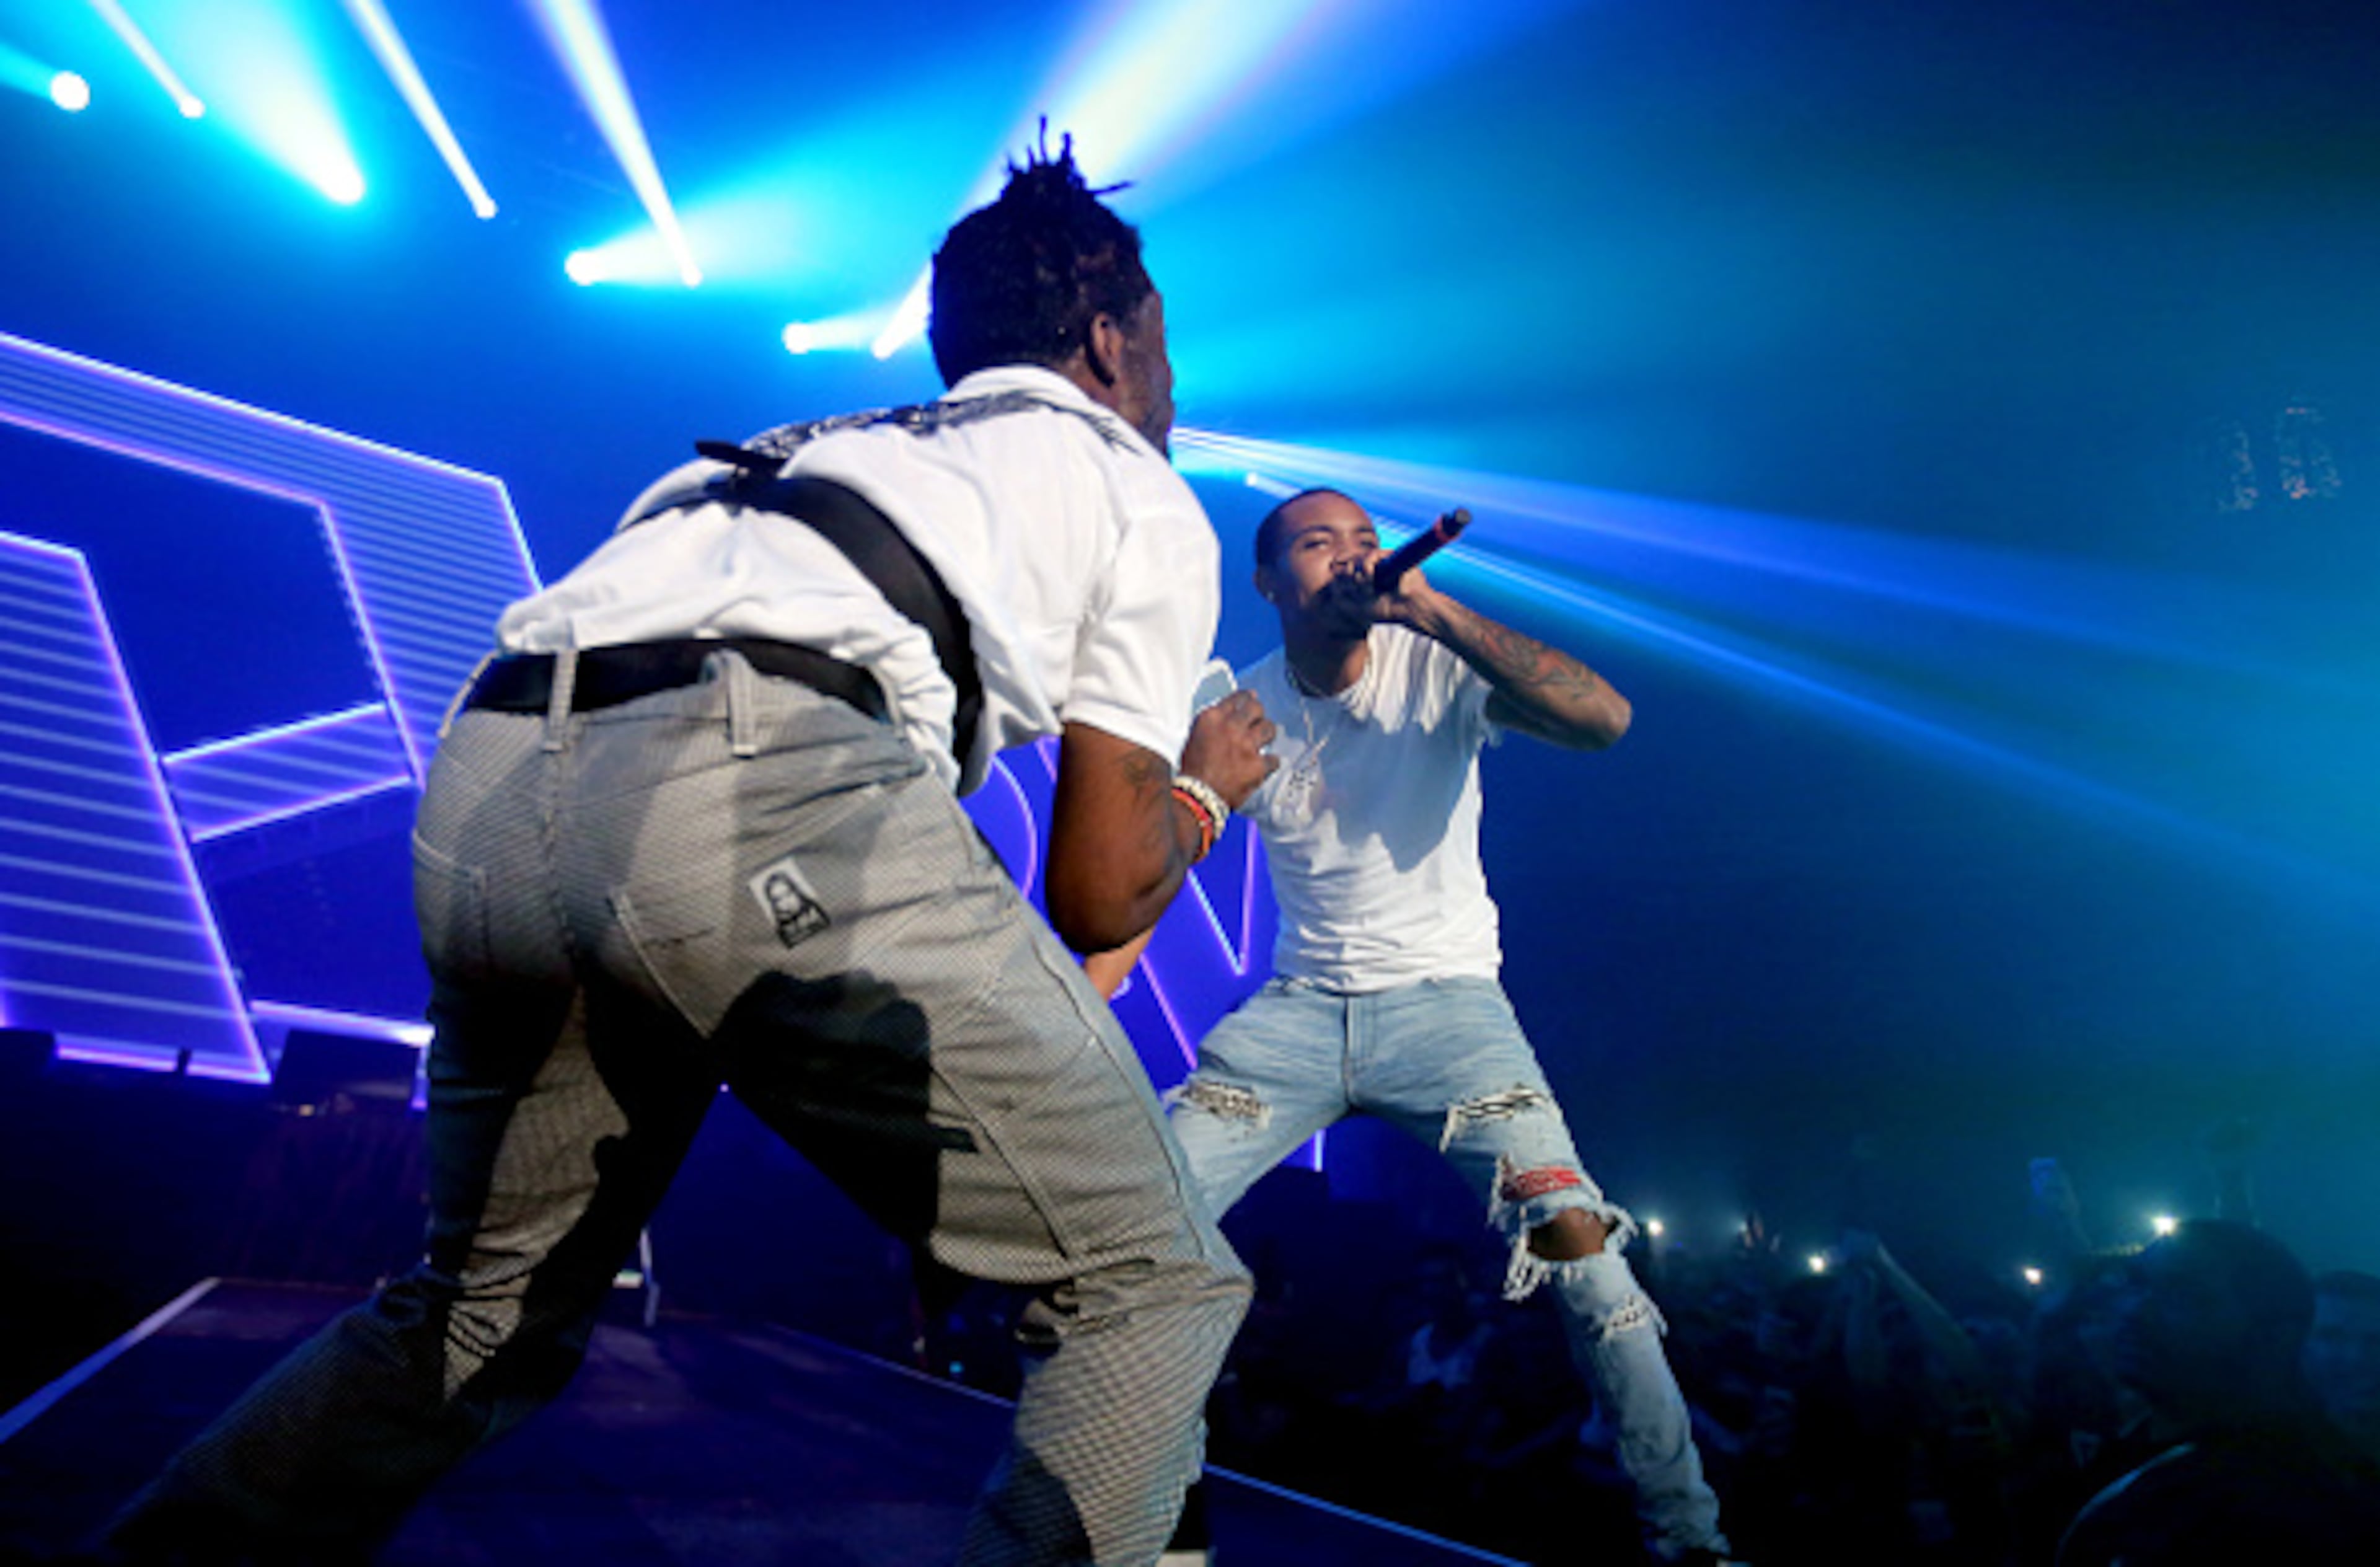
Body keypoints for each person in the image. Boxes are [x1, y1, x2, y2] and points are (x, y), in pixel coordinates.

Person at [104, 138, 1276, 1567]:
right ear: (1107, 344)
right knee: (1143, 1284)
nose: (1172, 386)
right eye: (1164, 350)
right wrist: (1203, 797)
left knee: (475, 1320)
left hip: (490, 779)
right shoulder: (1128, 479)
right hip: (751, 777)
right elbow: (1096, 887)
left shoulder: (818, 443)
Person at [1098, 487, 1735, 1564]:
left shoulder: (1440, 664)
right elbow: (1149, 867)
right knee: (1129, 1234)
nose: (1351, 558)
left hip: (1451, 1013)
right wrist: (1092, 985)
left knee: (1584, 1253)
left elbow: (1606, 720)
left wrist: (1437, 615)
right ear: (1268, 583)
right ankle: (1164, 1510)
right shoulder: (1238, 705)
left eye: (1363, 541)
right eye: (1316, 543)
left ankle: (1691, 1537)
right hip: (1296, 1018)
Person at [2056, 1220, 2380, 1564]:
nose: (2134, 1311)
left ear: (2275, 1337)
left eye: (2185, 1297)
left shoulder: (2286, 1504)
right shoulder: (2118, 1446)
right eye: (2136, 1285)